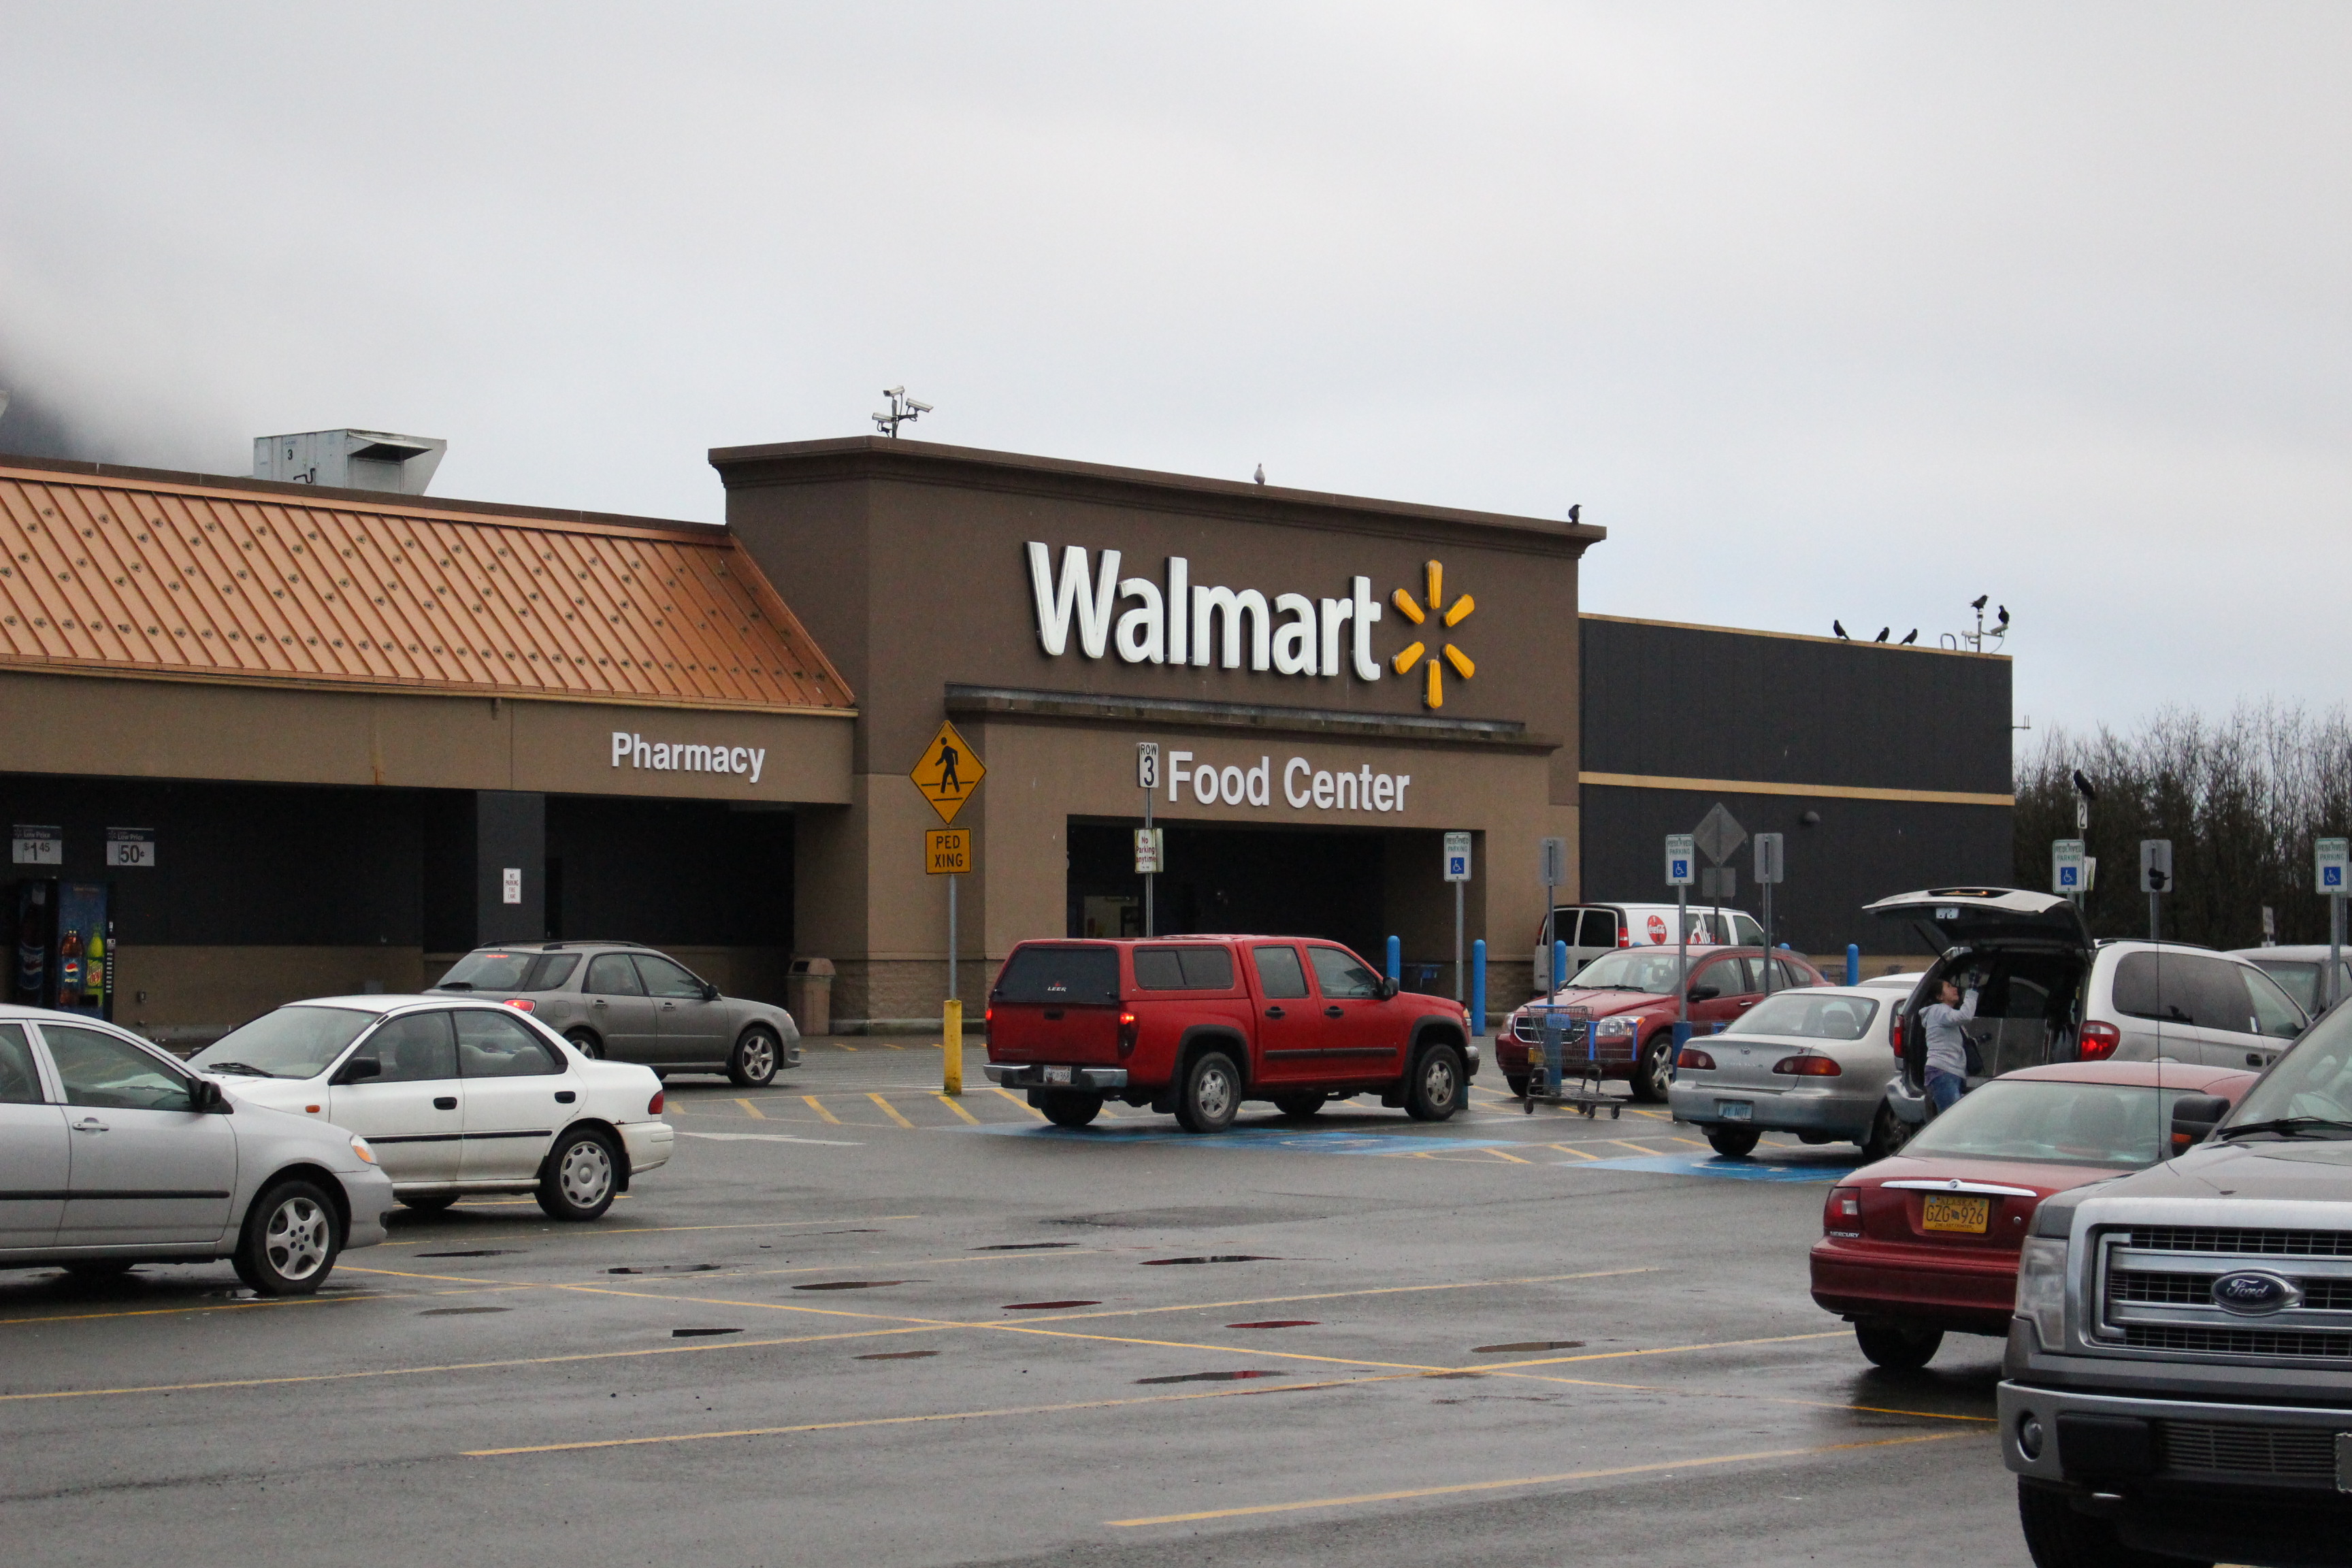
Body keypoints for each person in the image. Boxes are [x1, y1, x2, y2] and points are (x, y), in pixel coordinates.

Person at [1921, 975, 1979, 1112]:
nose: (1955, 989)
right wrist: (1972, 988)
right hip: (1943, 1072)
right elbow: (1965, 1016)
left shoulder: (1945, 1014)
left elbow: (1953, 1042)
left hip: (1948, 1072)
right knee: (1952, 1117)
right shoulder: (1939, 1010)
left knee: (1951, 1118)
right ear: (1940, 996)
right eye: (1949, 987)